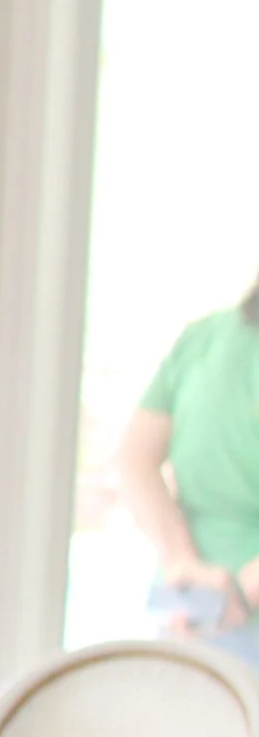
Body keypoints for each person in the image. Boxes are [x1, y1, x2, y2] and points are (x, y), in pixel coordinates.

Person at [115, 270, 259, 669]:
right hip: (210, 614)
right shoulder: (202, 339)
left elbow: (135, 460)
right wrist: (238, 594)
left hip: (188, 612)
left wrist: (181, 563)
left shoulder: (203, 339)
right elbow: (136, 460)